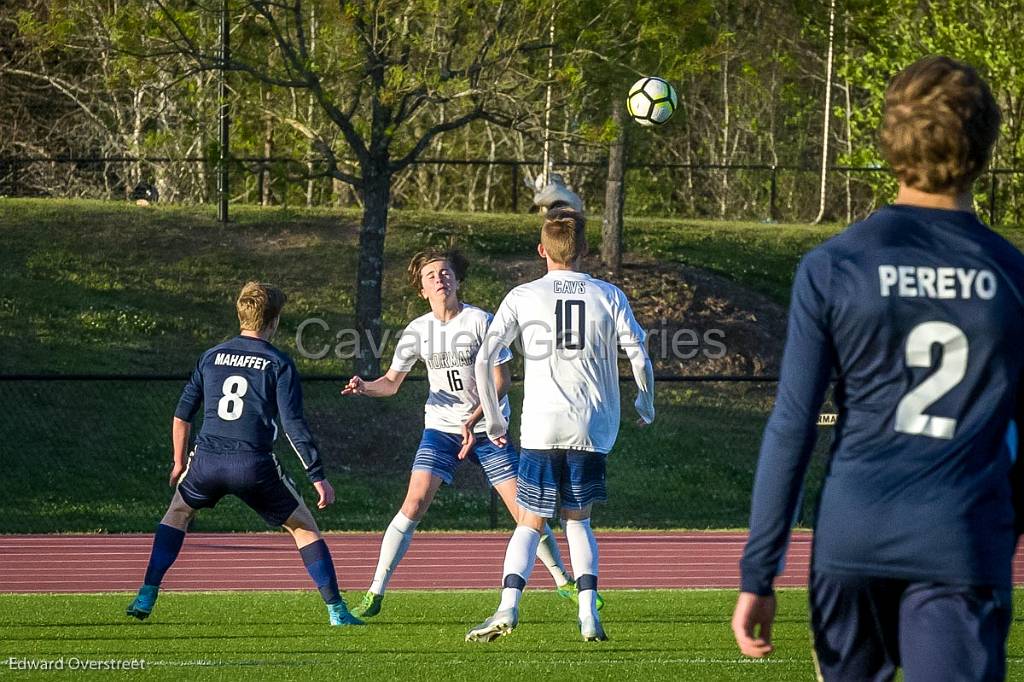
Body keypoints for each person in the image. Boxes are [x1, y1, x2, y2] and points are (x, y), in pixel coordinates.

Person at [732, 56, 1024, 681]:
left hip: (853, 536)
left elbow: (792, 425)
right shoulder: (1011, 276)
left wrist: (760, 570)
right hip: (960, 539)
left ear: (889, 141)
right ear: (984, 144)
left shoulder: (835, 264)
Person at [340, 249, 588, 619]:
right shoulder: (417, 331)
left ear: (457, 281)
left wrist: (474, 420)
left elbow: (502, 383)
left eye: (445, 273)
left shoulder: (481, 322)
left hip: (489, 429)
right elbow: (391, 384)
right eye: (431, 276)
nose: (440, 279)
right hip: (441, 430)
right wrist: (365, 387)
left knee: (526, 512)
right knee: (413, 504)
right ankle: (374, 592)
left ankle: (562, 580)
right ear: (421, 288)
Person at [466, 207, 655, 643]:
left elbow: (483, 358)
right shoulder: (608, 294)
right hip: (592, 425)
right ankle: (588, 615)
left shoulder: (522, 295)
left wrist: (493, 419)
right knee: (578, 522)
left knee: (530, 523)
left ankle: (507, 607)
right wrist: (645, 402)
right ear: (584, 249)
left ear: (541, 250)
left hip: (541, 425)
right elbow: (639, 354)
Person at [126, 282, 362, 627]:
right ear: (274, 321)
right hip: (253, 465)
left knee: (176, 514)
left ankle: (147, 592)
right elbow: (293, 424)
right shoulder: (278, 362)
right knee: (304, 528)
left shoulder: (210, 356)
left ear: (241, 315)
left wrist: (179, 461)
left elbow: (182, 414)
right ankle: (337, 610)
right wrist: (317, 476)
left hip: (206, 461)